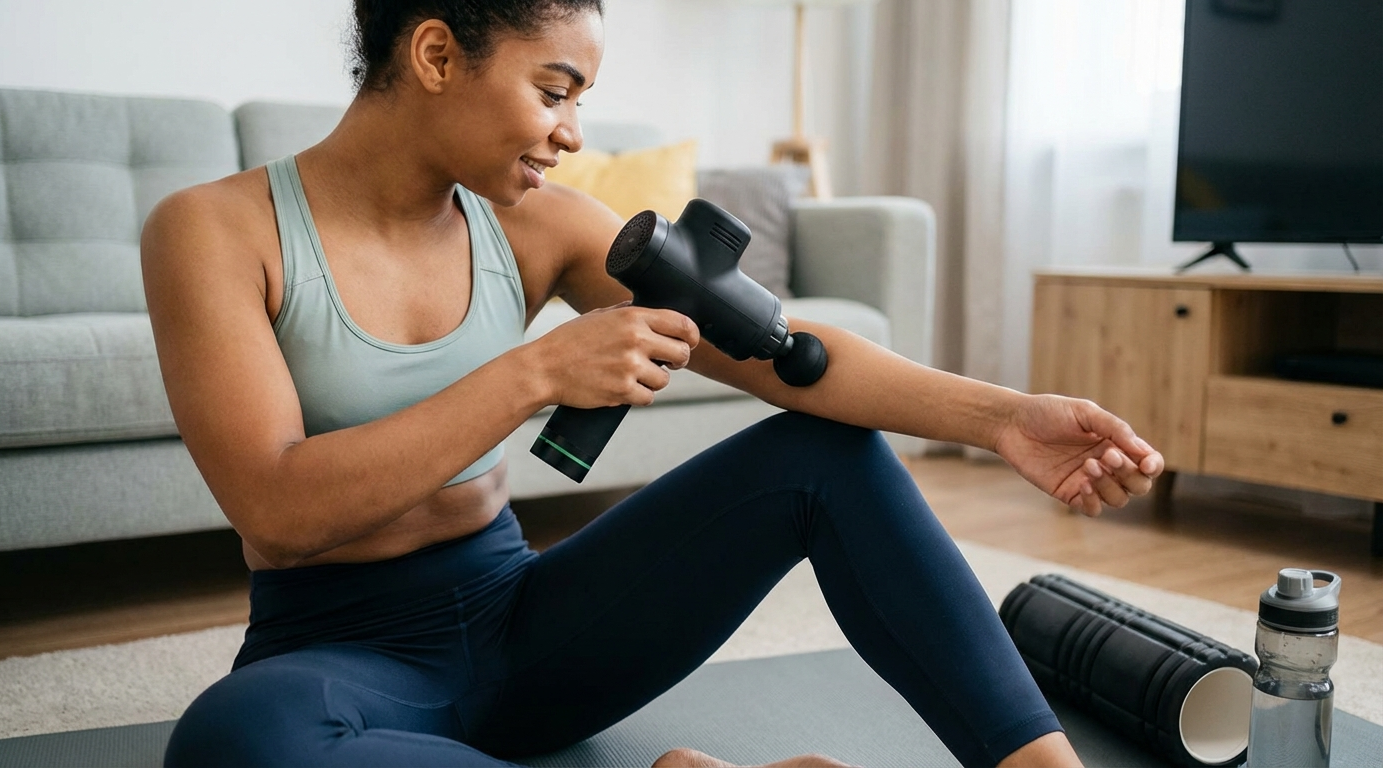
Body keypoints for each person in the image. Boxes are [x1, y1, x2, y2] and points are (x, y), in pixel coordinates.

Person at [144, 2, 1164, 766]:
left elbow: (787, 353)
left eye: (578, 101)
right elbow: (277, 510)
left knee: (820, 457)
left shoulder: (541, 223)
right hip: (342, 662)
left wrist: (1005, 418)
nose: (574, 134)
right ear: (437, 54)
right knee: (234, 743)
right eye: (553, 92)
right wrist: (535, 372)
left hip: (537, 633)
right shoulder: (214, 229)